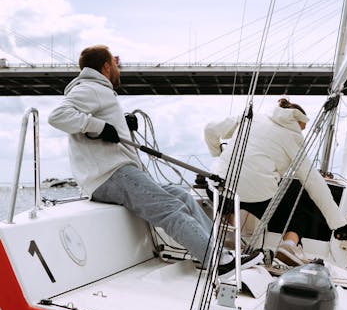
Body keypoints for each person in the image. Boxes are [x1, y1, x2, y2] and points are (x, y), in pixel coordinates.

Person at [48, 45, 261, 277]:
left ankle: (221, 253)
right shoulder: (90, 87)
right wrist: (99, 126)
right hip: (112, 174)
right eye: (116, 64)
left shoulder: (99, 91)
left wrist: (120, 123)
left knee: (182, 196)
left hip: (116, 173)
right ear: (107, 66)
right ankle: (218, 263)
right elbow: (58, 116)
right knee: (171, 208)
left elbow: (94, 120)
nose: (118, 69)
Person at [204, 98, 347, 266]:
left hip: (218, 187)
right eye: (301, 128)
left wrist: (217, 152)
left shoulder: (252, 117)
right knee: (298, 215)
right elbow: (313, 182)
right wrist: (339, 225)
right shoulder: (294, 139)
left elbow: (210, 129)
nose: (301, 132)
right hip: (257, 196)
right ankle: (288, 246)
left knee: (230, 200)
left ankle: (230, 238)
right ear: (297, 121)